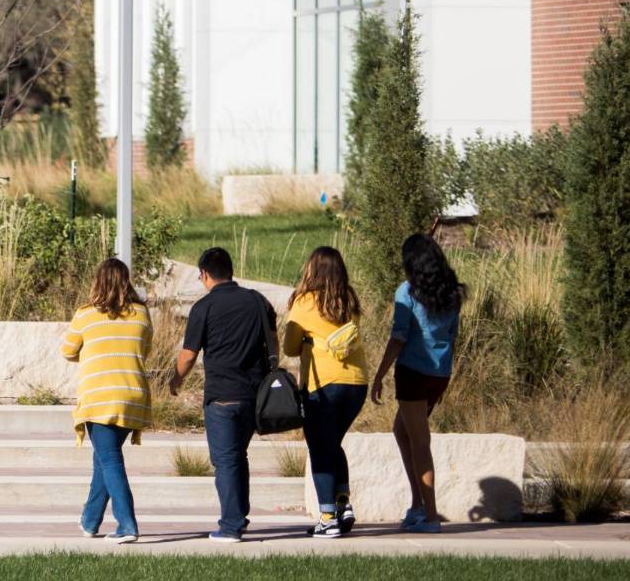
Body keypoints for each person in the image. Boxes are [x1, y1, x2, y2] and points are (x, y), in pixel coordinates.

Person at [168, 246, 276, 543]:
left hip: (222, 397)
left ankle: (230, 526)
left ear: (204, 274)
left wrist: (175, 379)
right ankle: (238, 516)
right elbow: (274, 345)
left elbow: (188, 355)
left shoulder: (204, 308)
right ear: (230, 271)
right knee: (238, 457)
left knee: (226, 461)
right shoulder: (258, 301)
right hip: (256, 397)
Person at [370, 232, 464, 532]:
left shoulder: (406, 292)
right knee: (402, 431)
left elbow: (398, 337)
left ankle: (431, 516)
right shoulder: (452, 292)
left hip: (412, 372)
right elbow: (453, 334)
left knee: (420, 444)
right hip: (440, 373)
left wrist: (379, 374)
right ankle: (417, 503)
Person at [61, 256, 153, 544]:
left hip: (99, 397)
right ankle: (90, 521)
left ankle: (127, 525)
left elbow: (67, 350)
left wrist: (92, 352)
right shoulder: (141, 314)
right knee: (104, 458)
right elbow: (144, 349)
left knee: (110, 459)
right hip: (133, 396)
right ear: (127, 281)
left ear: (98, 282)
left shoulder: (86, 314)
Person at [282, 246, 368, 537]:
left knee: (320, 449)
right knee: (333, 443)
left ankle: (328, 516)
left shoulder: (305, 301)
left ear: (312, 269)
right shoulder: (349, 300)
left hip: (322, 385)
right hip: (356, 383)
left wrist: (306, 339)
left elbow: (289, 347)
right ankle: (344, 504)